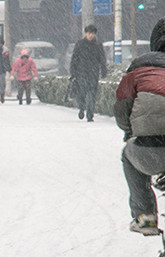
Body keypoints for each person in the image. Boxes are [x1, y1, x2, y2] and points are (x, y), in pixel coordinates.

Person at [114, 18, 165, 235]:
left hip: (148, 149)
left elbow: (122, 108)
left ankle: (146, 216)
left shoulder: (138, 68)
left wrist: (130, 132)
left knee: (128, 155)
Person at [70, 24, 107, 122]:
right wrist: (73, 71)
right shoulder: (80, 44)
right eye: (89, 33)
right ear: (85, 33)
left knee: (92, 94)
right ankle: (81, 108)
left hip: (93, 73)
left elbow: (102, 59)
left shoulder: (98, 45)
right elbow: (74, 58)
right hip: (81, 72)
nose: (91, 35)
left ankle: (90, 114)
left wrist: (104, 70)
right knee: (81, 92)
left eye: (93, 33)